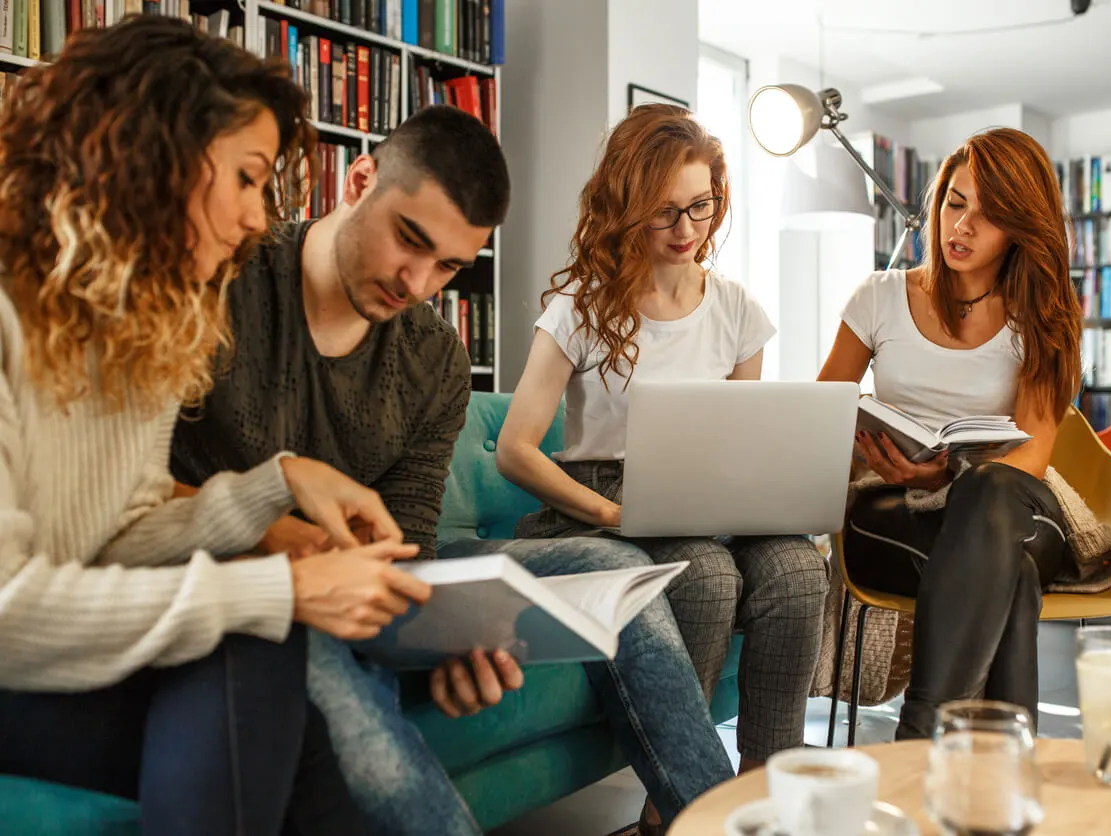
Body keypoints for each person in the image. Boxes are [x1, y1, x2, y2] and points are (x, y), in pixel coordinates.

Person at [168, 104, 734, 836]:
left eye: (450, 267)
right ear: (359, 179)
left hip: (376, 570)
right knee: (336, 685)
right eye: (410, 240)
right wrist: (276, 534)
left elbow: (411, 540)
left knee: (613, 569)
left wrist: (445, 635)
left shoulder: (433, 356)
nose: (418, 282)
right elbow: (133, 500)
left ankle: (717, 821)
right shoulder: (222, 286)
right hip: (242, 577)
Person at [0, 17, 436, 836]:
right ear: (150, 154)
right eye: (244, 178)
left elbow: (119, 532)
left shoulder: (139, 329)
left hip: (57, 670)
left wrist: (278, 484)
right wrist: (280, 587)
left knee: (260, 674)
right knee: (258, 641)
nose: (254, 219)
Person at [496, 104, 830, 774]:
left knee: (798, 570)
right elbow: (515, 449)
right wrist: (612, 514)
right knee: (703, 575)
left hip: (708, 498)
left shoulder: (738, 310)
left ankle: (765, 790)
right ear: (624, 204)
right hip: (602, 497)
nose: (686, 230)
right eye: (664, 211)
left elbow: (739, 443)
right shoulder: (582, 308)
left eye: (701, 207)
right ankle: (675, 799)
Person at [817, 127, 1083, 739]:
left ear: (1021, 226)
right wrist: (882, 463)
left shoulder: (1046, 312)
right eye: (954, 202)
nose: (960, 227)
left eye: (987, 216)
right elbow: (819, 417)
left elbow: (1032, 456)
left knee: (989, 492)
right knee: (1009, 577)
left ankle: (920, 741)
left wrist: (950, 474)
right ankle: (1000, 780)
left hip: (1006, 507)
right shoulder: (880, 298)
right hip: (887, 508)